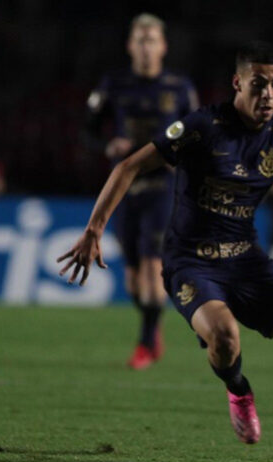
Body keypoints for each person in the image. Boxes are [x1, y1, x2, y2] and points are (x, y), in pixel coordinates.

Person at [60, 40, 273, 462]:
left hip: (247, 259)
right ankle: (238, 389)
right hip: (191, 262)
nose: (268, 94)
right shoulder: (202, 126)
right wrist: (94, 229)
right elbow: (128, 166)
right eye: (258, 84)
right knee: (224, 336)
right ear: (238, 83)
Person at [84, 13, 199, 369]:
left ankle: (145, 344)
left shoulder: (179, 87)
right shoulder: (113, 84)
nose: (146, 47)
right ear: (130, 46)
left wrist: (180, 158)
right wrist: (108, 145)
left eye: (153, 40)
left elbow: (200, 135)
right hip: (125, 188)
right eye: (141, 40)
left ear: (163, 46)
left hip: (164, 187)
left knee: (151, 266)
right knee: (133, 279)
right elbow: (86, 131)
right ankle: (152, 326)